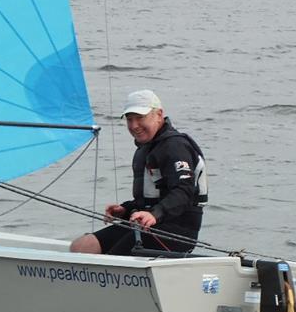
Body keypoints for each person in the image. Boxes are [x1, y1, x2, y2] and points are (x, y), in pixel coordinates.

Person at [70, 90, 207, 255]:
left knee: (110, 261)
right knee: (83, 246)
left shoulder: (175, 146)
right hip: (148, 226)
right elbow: (150, 199)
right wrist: (126, 209)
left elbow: (184, 191)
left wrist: (155, 214)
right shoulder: (146, 148)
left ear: (159, 115)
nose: (134, 126)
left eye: (140, 118)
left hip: (175, 232)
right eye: (129, 119)